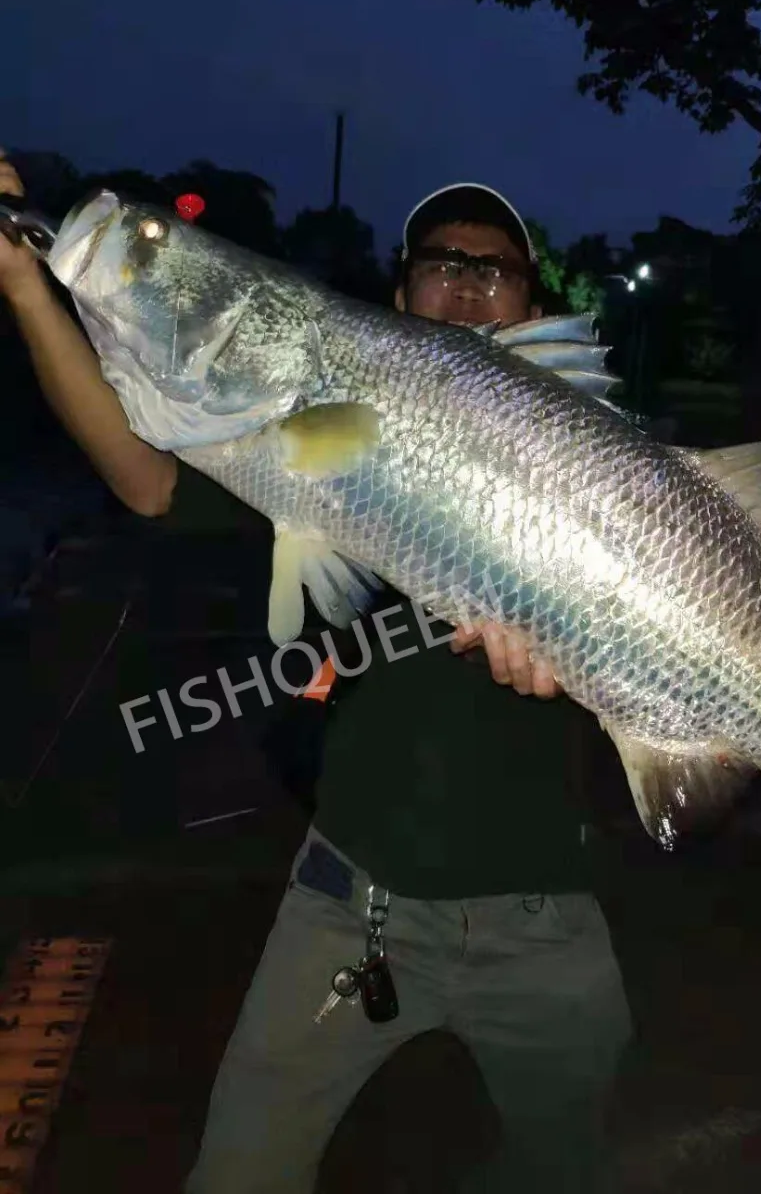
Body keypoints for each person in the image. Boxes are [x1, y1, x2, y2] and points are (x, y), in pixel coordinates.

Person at [0, 157, 633, 1193]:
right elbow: (146, 475)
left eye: (497, 267)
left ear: (532, 303)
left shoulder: (596, 469)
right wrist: (27, 287)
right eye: (441, 259)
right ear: (397, 293)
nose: (467, 277)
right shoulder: (331, 425)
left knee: (564, 1171)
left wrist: (583, 664)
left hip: (545, 925)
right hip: (349, 905)